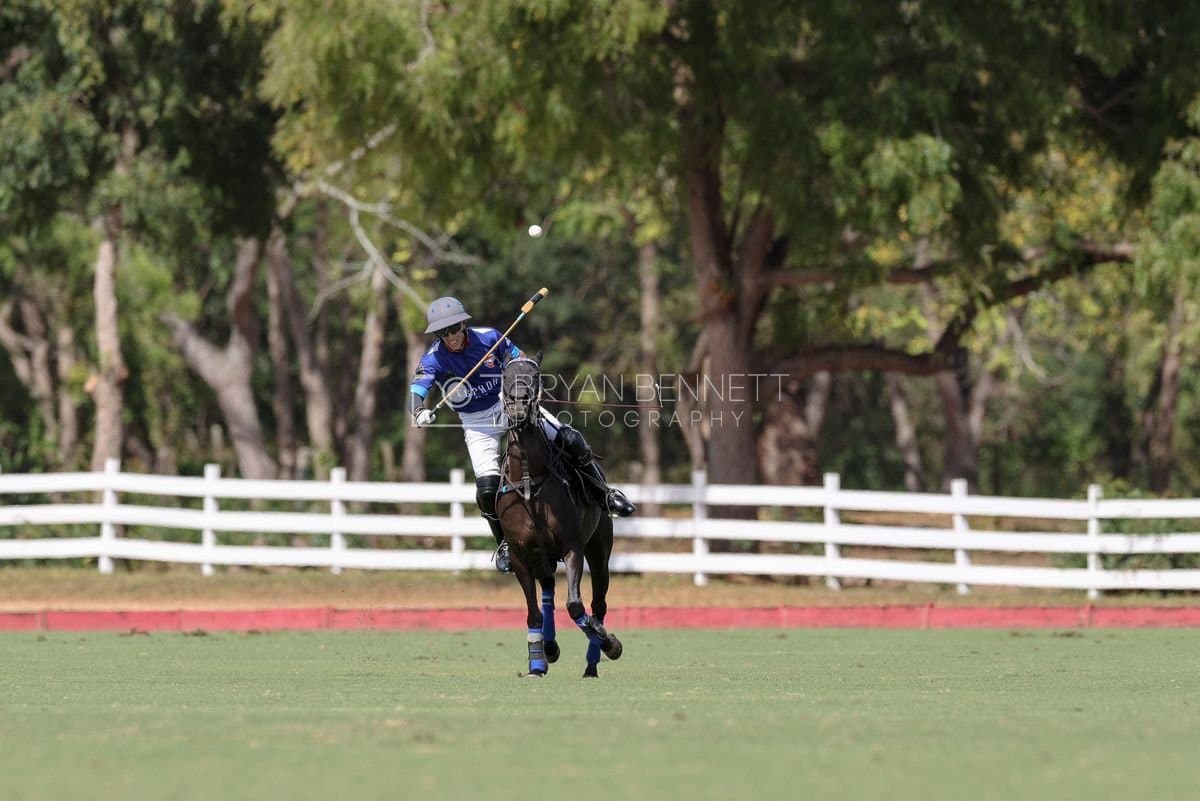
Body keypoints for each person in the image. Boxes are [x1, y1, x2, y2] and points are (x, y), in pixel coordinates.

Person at [408, 296, 636, 573]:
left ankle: (605, 495)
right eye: (443, 333)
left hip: (510, 404)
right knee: (486, 489)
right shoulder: (433, 358)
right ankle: (504, 543)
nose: (451, 337)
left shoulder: (489, 337)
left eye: (454, 329)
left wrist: (524, 384)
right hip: (477, 423)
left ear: (463, 325)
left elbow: (520, 360)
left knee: (570, 439)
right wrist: (418, 411)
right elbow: (417, 390)